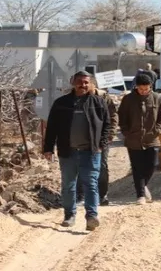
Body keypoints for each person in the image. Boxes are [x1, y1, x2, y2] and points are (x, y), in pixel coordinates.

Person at [42, 70, 110, 230]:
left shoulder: (98, 102)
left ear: (90, 84)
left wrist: (102, 144)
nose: (83, 85)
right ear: (73, 82)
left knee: (91, 184)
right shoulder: (61, 103)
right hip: (68, 151)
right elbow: (52, 127)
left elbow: (107, 125)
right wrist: (48, 148)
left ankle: (92, 216)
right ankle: (69, 215)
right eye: (80, 82)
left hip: (91, 152)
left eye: (86, 82)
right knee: (68, 185)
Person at [117, 72, 161, 204]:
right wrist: (126, 132)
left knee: (153, 164)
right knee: (137, 168)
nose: (144, 91)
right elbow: (121, 117)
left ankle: (143, 186)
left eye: (146, 89)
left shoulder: (157, 98)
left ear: (150, 86)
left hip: (152, 138)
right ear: (136, 87)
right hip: (133, 139)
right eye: (141, 89)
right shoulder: (128, 99)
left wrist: (158, 130)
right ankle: (140, 195)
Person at [75, 77, 118, 205]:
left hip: (101, 138)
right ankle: (81, 195)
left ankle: (102, 195)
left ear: (93, 85)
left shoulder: (104, 97)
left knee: (102, 166)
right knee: (81, 165)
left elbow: (113, 116)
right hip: (82, 138)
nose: (84, 86)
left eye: (87, 84)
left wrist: (110, 134)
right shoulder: (77, 97)